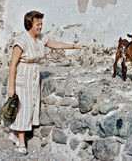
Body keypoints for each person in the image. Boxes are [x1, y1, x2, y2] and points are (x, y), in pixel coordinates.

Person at [6, 11, 89, 154]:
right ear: (30, 24)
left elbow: (55, 44)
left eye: (41, 24)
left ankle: (14, 133)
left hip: (33, 76)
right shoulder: (21, 40)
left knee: (29, 107)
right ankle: (21, 142)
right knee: (22, 108)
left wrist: (75, 47)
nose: (40, 27)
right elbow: (12, 64)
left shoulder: (40, 38)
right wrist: (11, 86)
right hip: (22, 77)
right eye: (38, 24)